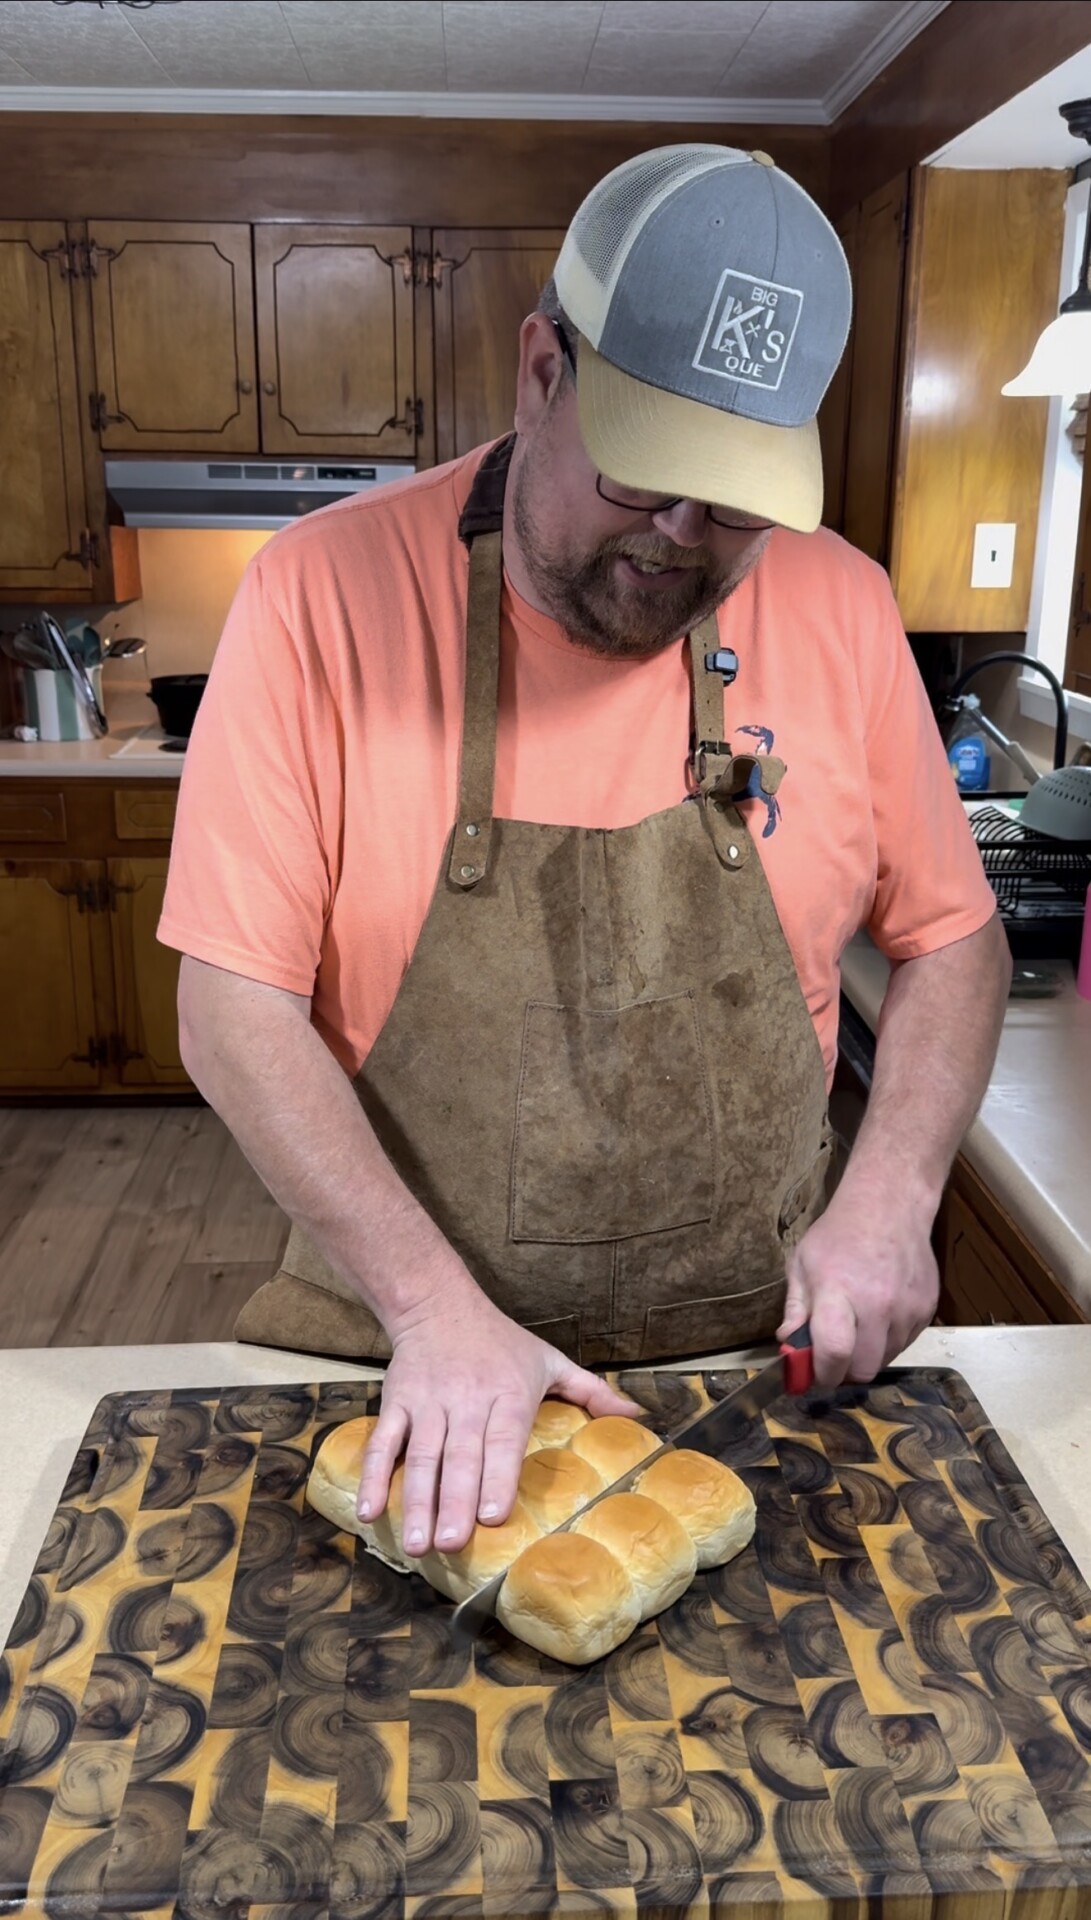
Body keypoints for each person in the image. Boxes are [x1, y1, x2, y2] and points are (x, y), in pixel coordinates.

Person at [161, 144, 1011, 1562]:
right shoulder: (320, 597)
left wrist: (894, 1198)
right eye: (647, 476)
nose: (682, 541)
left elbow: (953, 942)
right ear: (542, 370)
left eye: (735, 501)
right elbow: (230, 1006)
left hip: (750, 1375)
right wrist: (435, 1312)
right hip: (404, 1365)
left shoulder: (847, 609)